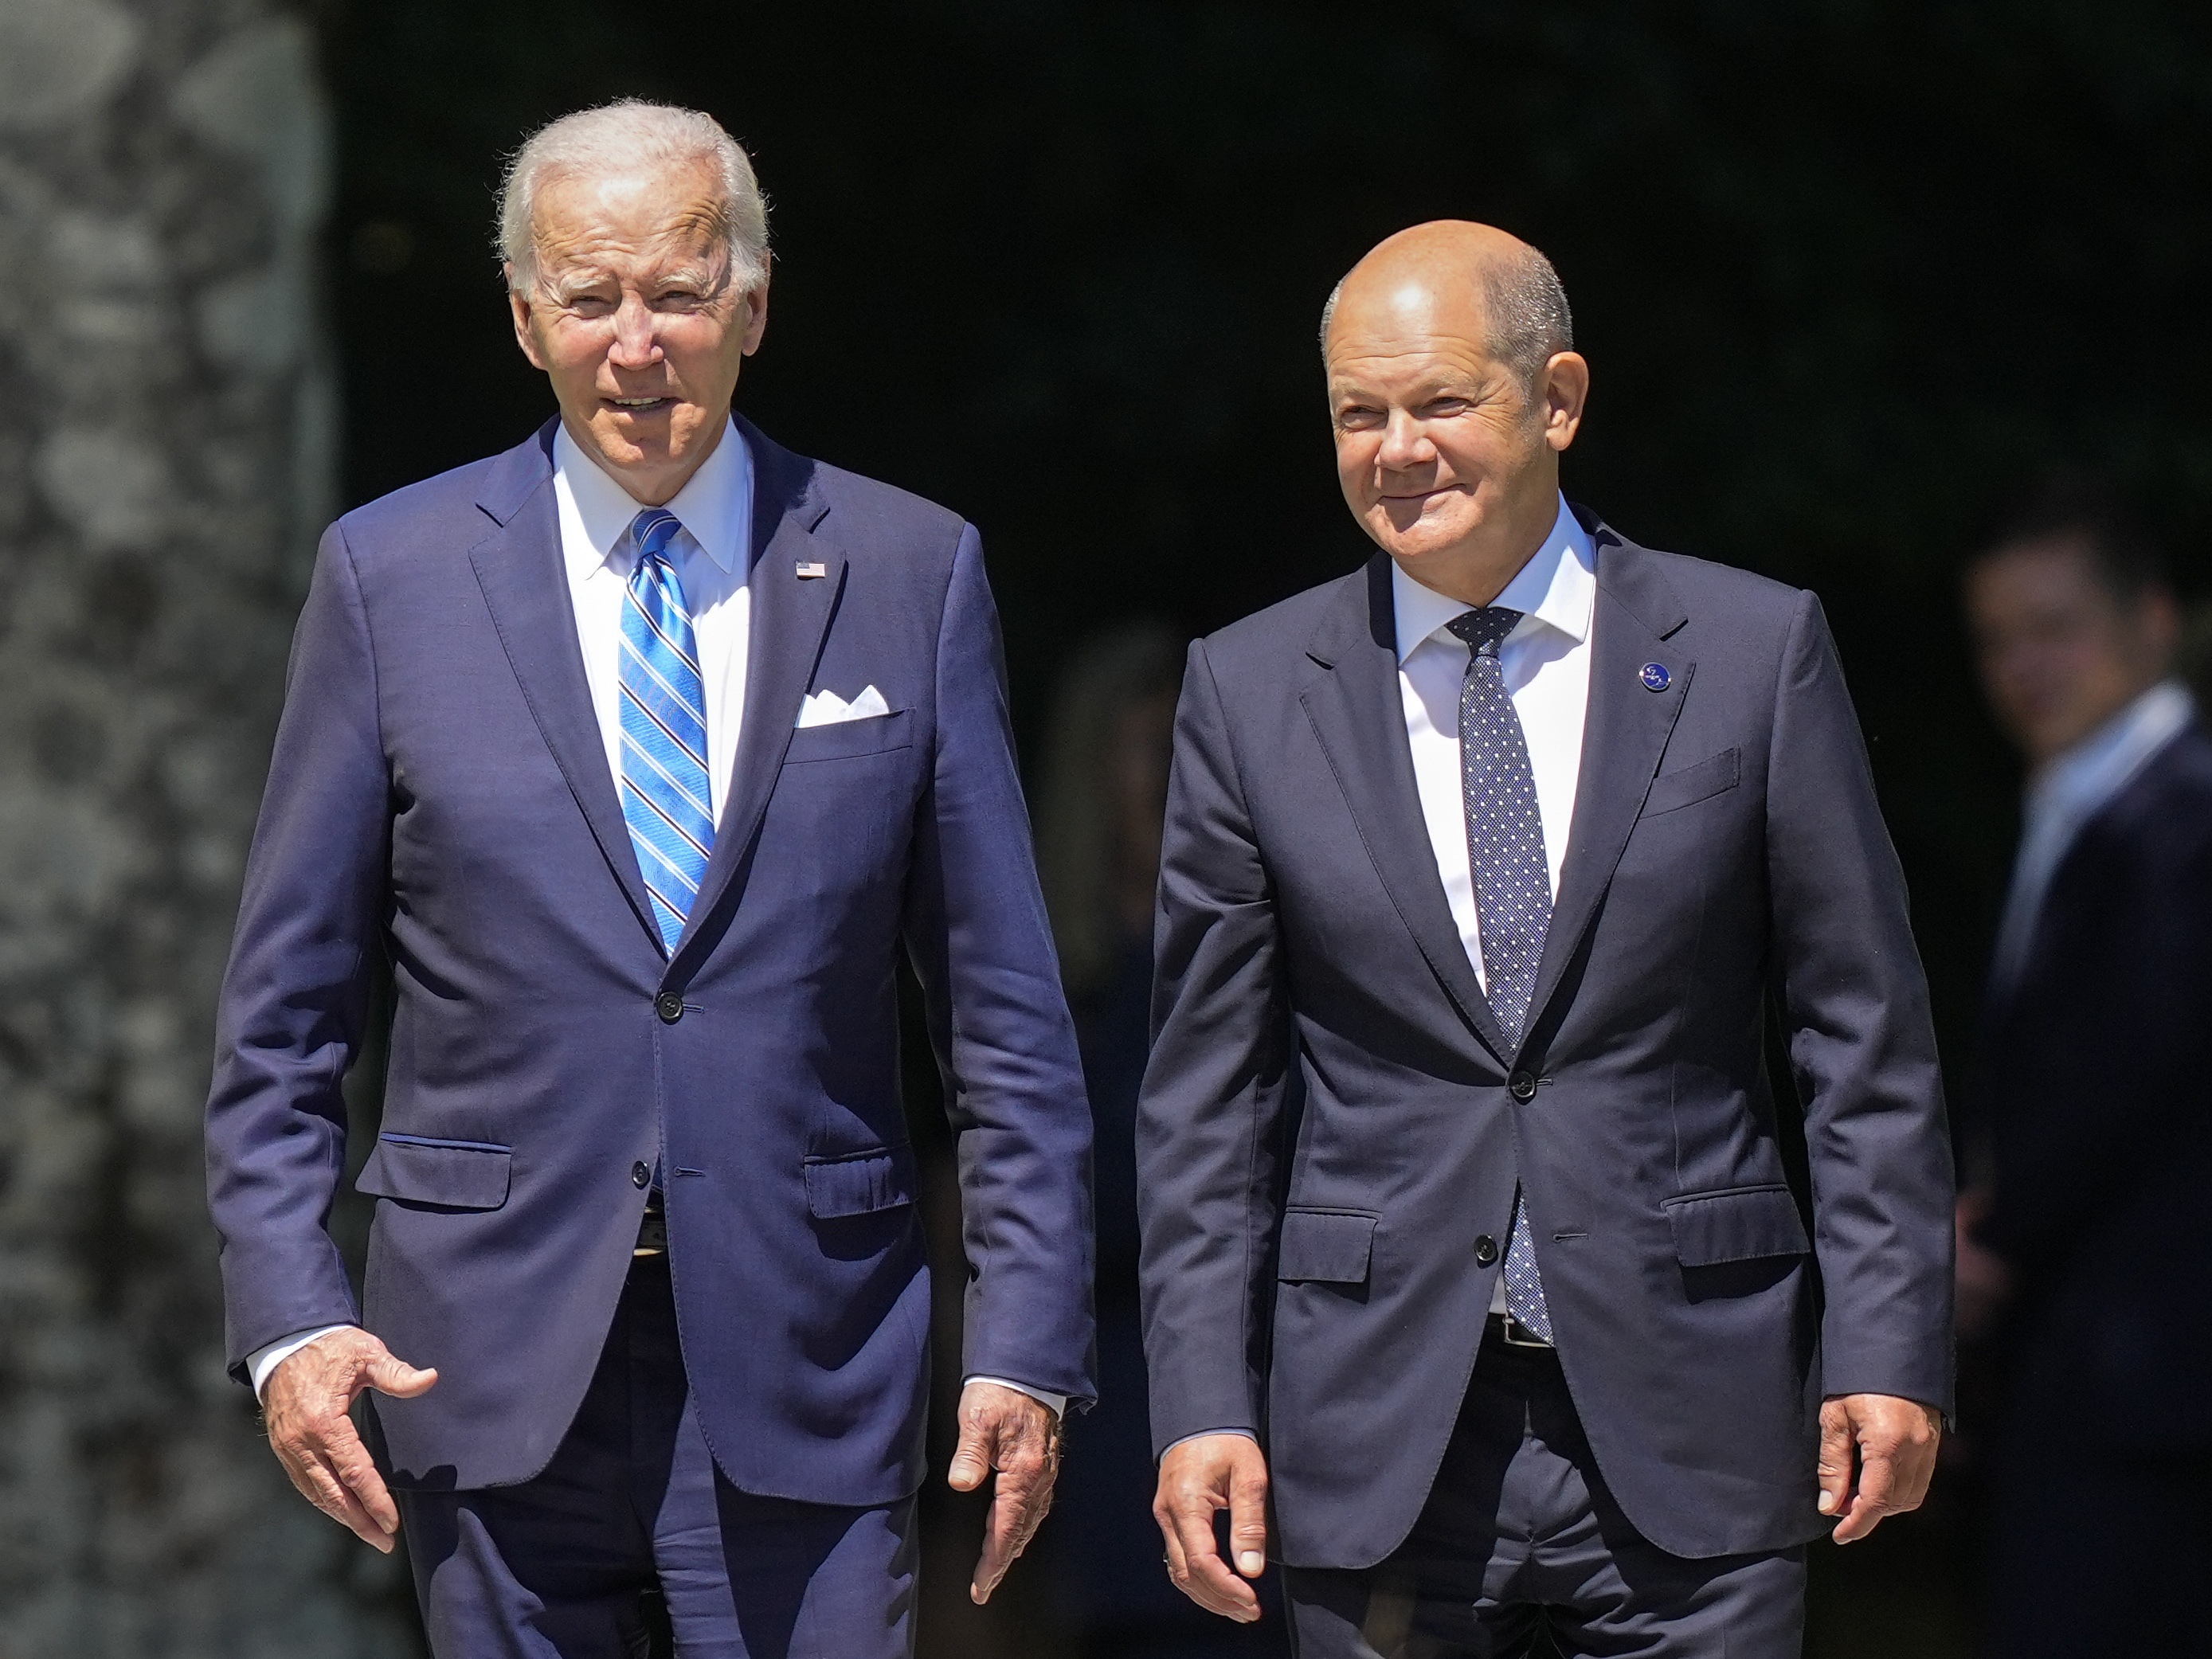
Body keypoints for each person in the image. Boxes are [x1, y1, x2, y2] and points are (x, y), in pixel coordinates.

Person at [203, 101, 1094, 1657]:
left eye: (677, 294)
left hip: (810, 1353)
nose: (636, 343)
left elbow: (1005, 1014)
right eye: (591, 297)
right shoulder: (389, 577)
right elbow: (283, 1016)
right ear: (523, 314)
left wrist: (1025, 1340)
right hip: (478, 1367)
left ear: (752, 305)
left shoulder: (904, 569)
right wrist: (291, 1315)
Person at [1136, 221, 1955, 1657]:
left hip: (1692, 1417)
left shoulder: (1753, 655)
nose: (1396, 448)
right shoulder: (1252, 689)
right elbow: (1208, 1095)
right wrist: (1203, 1396)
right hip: (1376, 1438)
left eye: (1440, 402)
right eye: (1356, 413)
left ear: (1557, 400)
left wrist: (1887, 1346)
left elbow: (1859, 1035)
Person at [1958, 481, 2211, 1658]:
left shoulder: (2180, 824)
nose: (2023, 666)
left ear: (2153, 619)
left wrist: (1988, 1243)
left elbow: (2123, 1076)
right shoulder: (2086, 811)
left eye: (2053, 626)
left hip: (2150, 1398)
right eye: (1998, 640)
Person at [1032, 624, 1290, 1656]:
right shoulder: (1047, 980)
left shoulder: (1290, 959)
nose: (1187, 788)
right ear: (1095, 780)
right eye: (1157, 754)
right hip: (1105, 1416)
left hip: (1280, 1405)